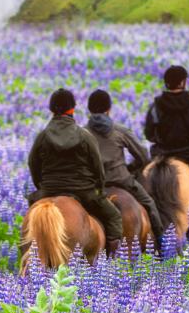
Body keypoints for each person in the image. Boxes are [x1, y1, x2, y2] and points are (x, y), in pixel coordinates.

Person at [27, 89, 123, 255]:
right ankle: (112, 261)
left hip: (49, 189)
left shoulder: (42, 136)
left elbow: (33, 163)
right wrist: (99, 188)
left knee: (31, 215)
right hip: (82, 190)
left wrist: (41, 187)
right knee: (113, 216)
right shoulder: (84, 135)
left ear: (51, 110)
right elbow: (97, 167)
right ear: (72, 109)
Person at [85, 89, 165, 243]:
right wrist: (129, 168)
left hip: (92, 185)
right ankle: (161, 243)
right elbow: (143, 155)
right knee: (149, 203)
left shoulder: (82, 132)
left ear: (89, 109)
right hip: (121, 180)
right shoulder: (120, 131)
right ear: (109, 109)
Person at [144, 65, 189, 213]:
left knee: (139, 184)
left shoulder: (156, 105)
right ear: (183, 82)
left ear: (166, 83)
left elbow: (149, 134)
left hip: (161, 154)